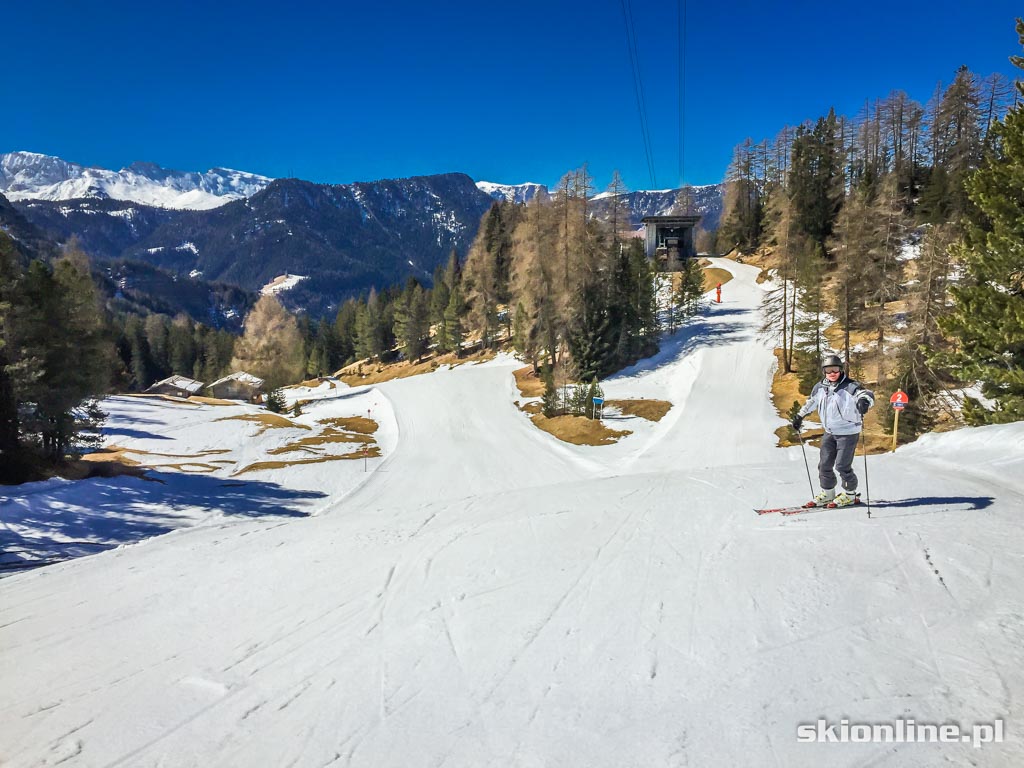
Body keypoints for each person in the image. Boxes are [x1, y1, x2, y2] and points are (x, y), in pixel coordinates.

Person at [791, 354, 874, 506]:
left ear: (840, 370)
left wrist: (864, 402)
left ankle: (850, 494)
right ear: (824, 372)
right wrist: (799, 416)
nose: (832, 373)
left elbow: (866, 394)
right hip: (829, 431)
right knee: (824, 464)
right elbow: (811, 403)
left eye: (835, 369)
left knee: (842, 465)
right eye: (829, 370)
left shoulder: (850, 386)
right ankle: (828, 493)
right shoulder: (820, 387)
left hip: (848, 432)